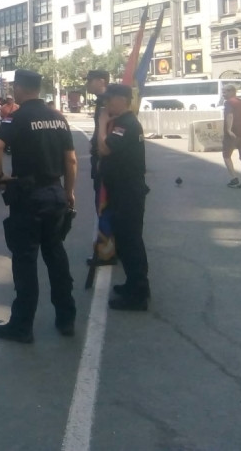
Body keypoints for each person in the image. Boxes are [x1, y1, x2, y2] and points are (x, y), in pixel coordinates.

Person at [0, 69, 77, 343]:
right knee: (56, 256)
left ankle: (22, 326)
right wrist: (69, 192)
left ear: (19, 88)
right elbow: (71, 160)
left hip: (28, 197)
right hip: (55, 194)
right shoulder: (58, 118)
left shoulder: (17, 116)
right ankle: (66, 318)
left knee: (25, 262)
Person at [97, 83, 151, 311]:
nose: (107, 103)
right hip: (124, 191)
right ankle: (133, 284)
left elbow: (104, 149)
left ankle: (138, 295)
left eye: (110, 99)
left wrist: (102, 124)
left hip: (127, 192)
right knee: (127, 241)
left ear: (122, 100)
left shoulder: (126, 124)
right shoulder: (125, 122)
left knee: (130, 242)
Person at [85, 68, 116, 268]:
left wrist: (99, 150)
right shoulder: (103, 100)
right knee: (104, 204)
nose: (87, 84)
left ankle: (106, 251)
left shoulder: (107, 101)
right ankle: (109, 248)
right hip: (101, 158)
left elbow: (106, 131)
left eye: (90, 80)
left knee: (104, 204)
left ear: (101, 81)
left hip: (104, 160)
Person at [222, 84, 241, 190]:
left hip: (232, 135)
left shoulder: (228, 103)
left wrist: (229, 130)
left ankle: (234, 178)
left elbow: (230, 115)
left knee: (226, 156)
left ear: (232, 92)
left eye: (225, 92)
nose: (223, 94)